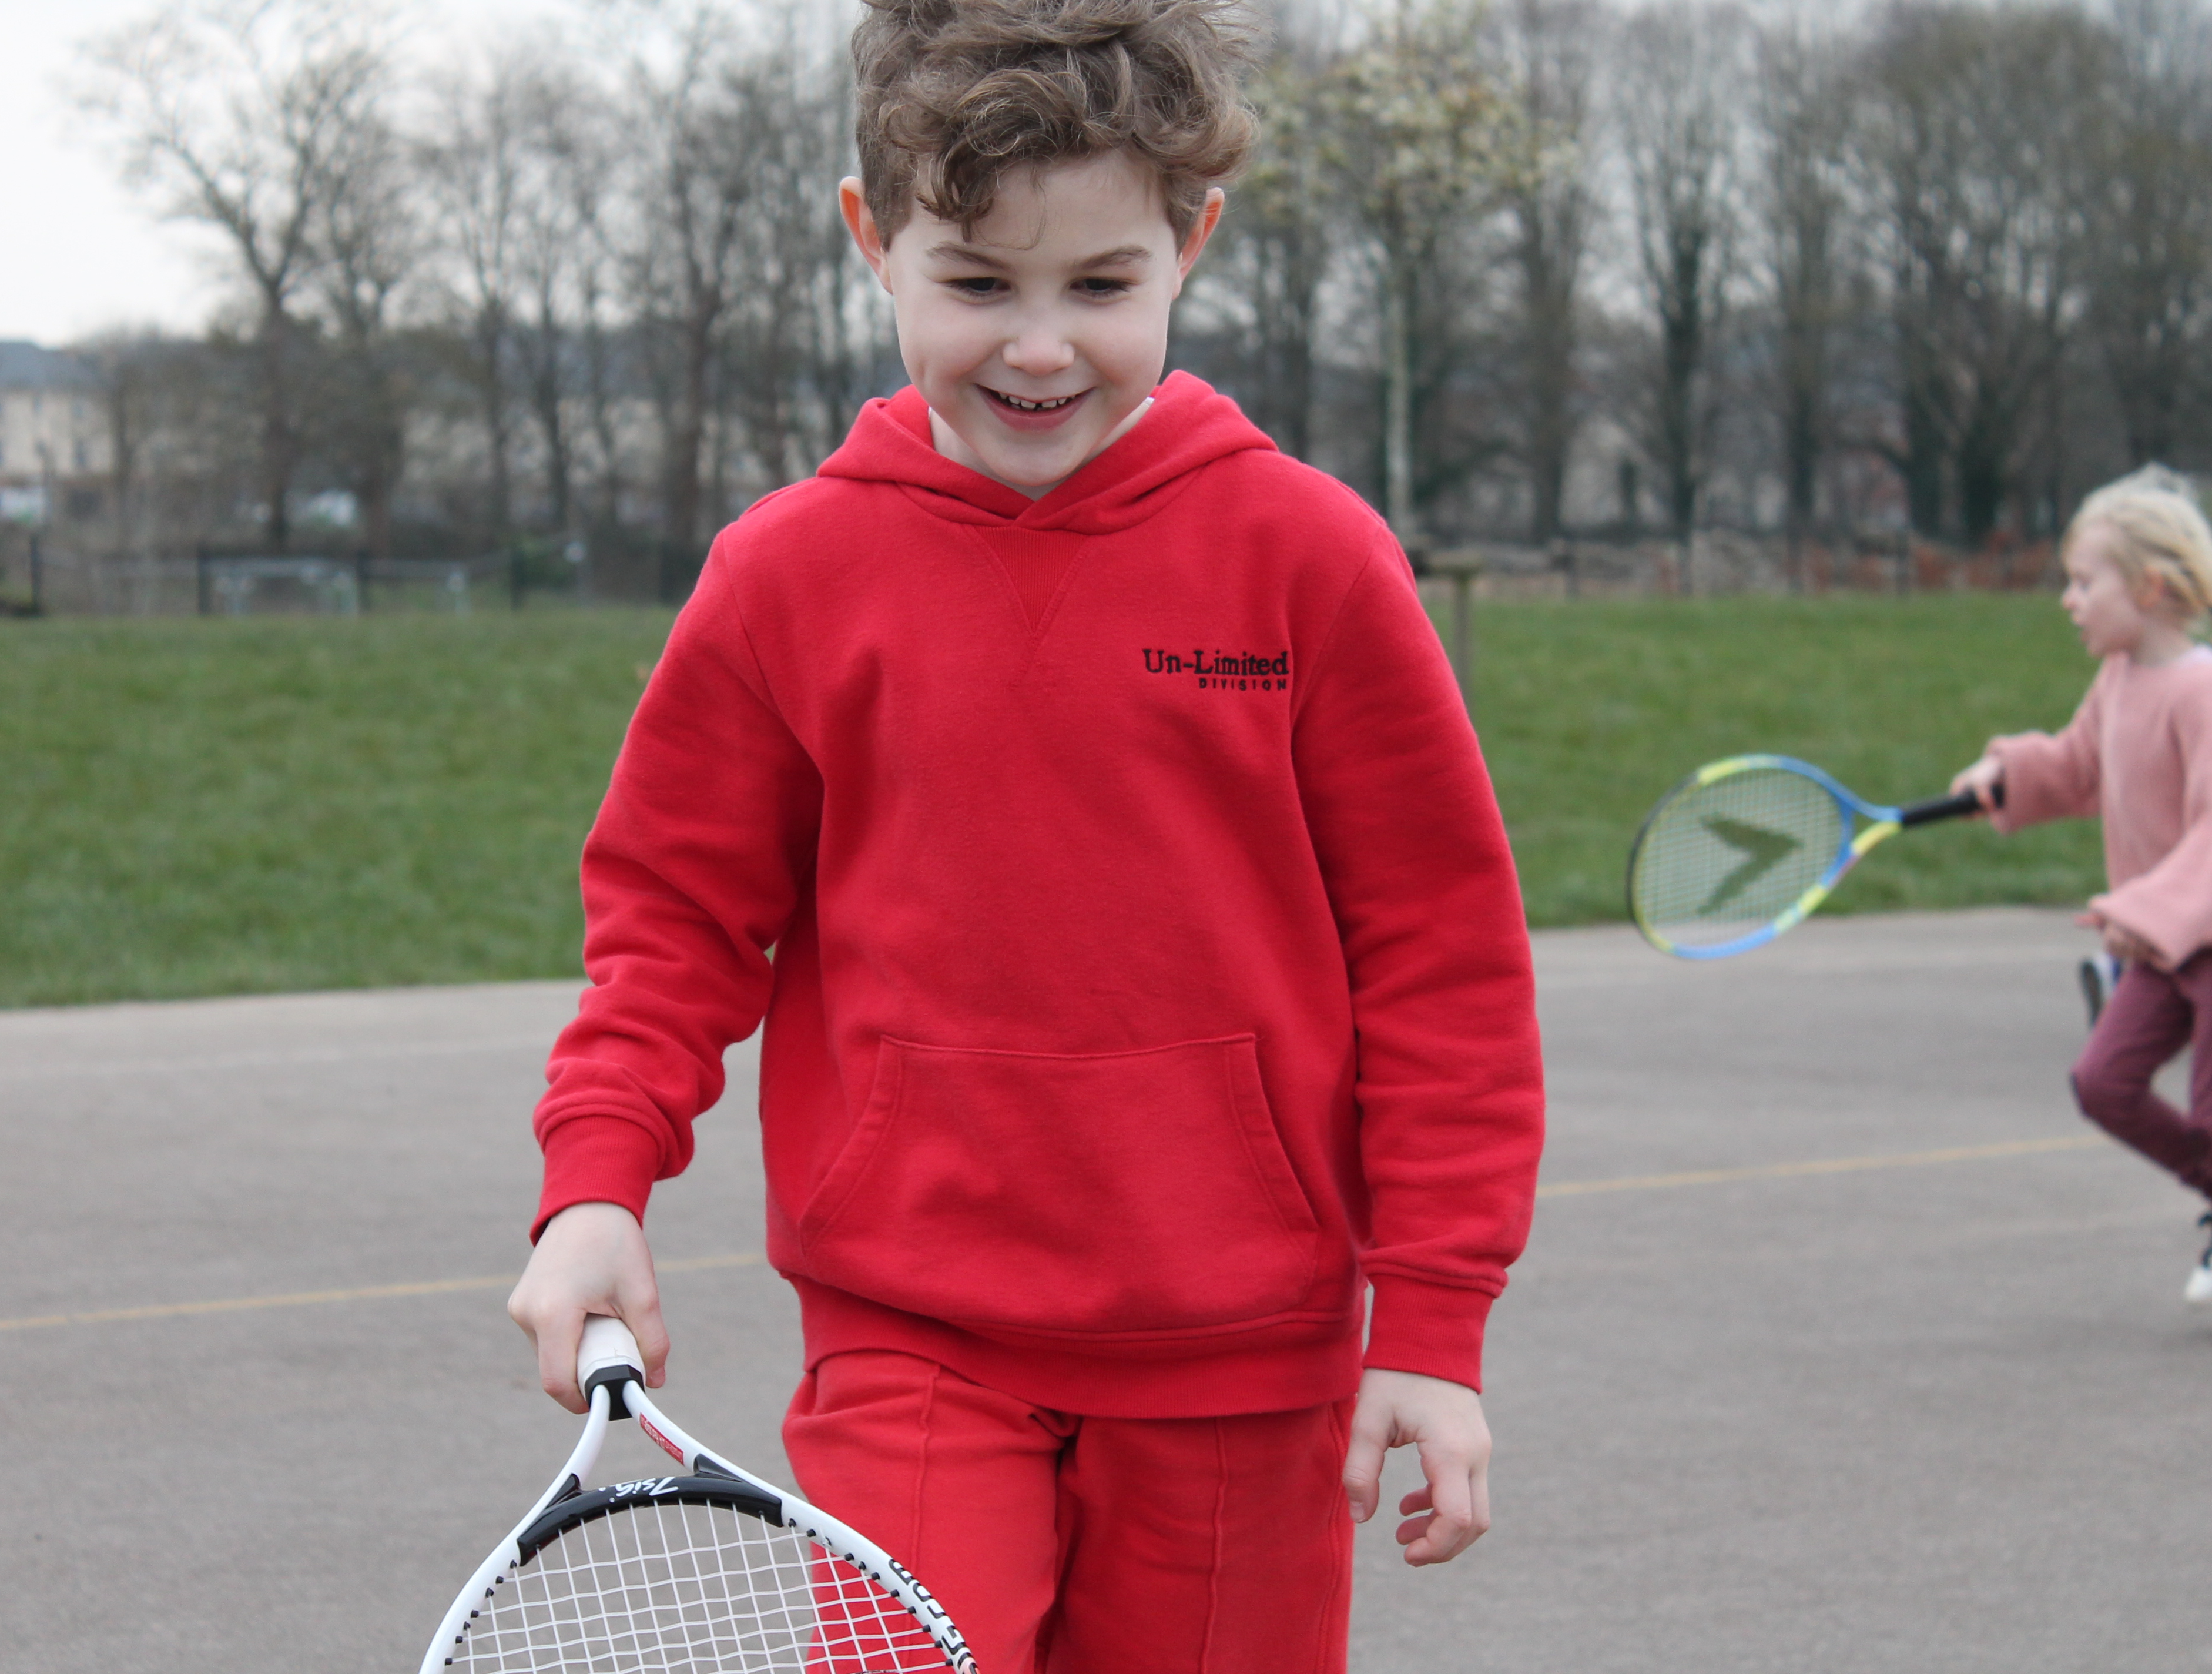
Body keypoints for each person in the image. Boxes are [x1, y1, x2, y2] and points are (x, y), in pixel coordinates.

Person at [506, 2, 1545, 1666]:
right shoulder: (787, 576)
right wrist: (595, 1181)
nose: (1040, 347)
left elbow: (1443, 961)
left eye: (1102, 287)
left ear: (1194, 244)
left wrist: (1433, 1320)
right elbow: (678, 920)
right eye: (978, 285)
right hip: (912, 1337)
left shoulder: (1313, 559)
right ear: (873, 240)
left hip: (1247, 1357)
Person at [1951, 468, 2212, 1304]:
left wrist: (2142, 907)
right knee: (2104, 1084)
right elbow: (2074, 767)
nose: (2069, 599)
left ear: (2153, 586)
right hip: (2158, 946)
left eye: (2084, 581)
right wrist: (2007, 773)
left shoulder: (2202, 690)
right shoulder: (2120, 682)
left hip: (2197, 938)